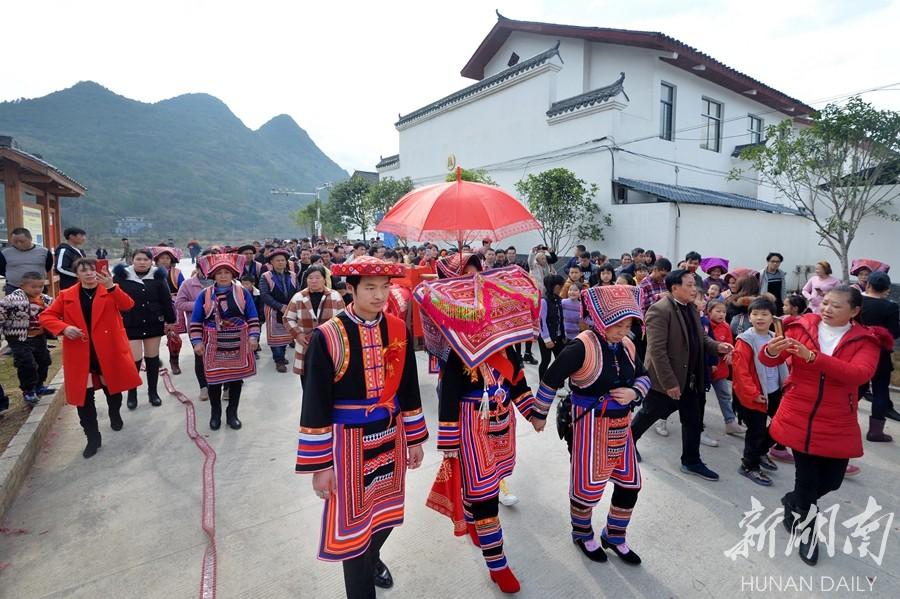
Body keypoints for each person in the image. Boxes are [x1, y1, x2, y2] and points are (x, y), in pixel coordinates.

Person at [296, 256, 427, 599]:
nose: (380, 295)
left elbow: (409, 387)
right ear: (350, 289)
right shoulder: (328, 336)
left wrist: (414, 438)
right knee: (353, 529)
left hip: (390, 435)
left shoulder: (397, 329)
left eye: (385, 287)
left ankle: (374, 555)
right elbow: (314, 403)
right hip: (347, 443)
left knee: (385, 514)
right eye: (370, 288)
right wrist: (320, 465)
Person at [761, 286, 887, 565]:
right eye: (825, 303)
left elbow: (858, 374)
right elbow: (770, 359)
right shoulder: (801, 327)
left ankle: (792, 501)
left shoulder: (865, 341)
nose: (827, 309)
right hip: (799, 414)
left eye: (836, 306)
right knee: (806, 482)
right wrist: (771, 350)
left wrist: (813, 357)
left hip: (837, 419)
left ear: (855, 311)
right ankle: (806, 533)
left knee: (832, 480)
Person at [536, 285, 650, 564]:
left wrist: (634, 392)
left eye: (627, 324)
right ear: (600, 320)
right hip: (589, 427)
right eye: (617, 324)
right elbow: (551, 378)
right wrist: (539, 414)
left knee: (630, 485)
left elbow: (644, 376)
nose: (622, 330)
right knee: (586, 488)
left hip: (621, 428)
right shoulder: (581, 346)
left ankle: (614, 535)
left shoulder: (628, 345)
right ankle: (582, 533)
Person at [436, 315, 541, 593]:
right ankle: (498, 566)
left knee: (489, 481)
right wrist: (448, 441)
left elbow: (518, 384)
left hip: (503, 424)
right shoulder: (459, 350)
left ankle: (472, 519)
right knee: (484, 494)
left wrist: (533, 413)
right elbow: (448, 395)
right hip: (471, 427)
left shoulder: (508, 348)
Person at [630, 269, 733, 481]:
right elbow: (656, 351)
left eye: (694, 284)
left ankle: (691, 461)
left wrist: (717, 347)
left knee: (693, 420)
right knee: (649, 414)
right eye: (689, 284)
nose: (694, 289)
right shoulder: (659, 310)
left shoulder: (692, 309)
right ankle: (627, 443)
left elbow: (701, 339)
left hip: (692, 378)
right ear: (674, 287)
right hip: (666, 380)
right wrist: (670, 382)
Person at [38, 258, 142, 457]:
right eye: (83, 270)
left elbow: (128, 305)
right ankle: (92, 438)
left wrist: (111, 286)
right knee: (83, 398)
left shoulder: (110, 290)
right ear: (76, 274)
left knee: (112, 388)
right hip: (80, 352)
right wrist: (64, 327)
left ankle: (114, 412)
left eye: (92, 270)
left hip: (108, 349)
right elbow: (46, 316)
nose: (89, 273)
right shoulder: (66, 295)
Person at [190, 253, 260, 430]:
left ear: (233, 274)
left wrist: (253, 336)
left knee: (236, 380)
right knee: (214, 380)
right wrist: (197, 341)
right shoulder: (204, 295)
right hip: (213, 342)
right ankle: (215, 414)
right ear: (213, 275)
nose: (223, 276)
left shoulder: (242, 292)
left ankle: (232, 413)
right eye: (219, 272)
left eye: (227, 272)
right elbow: (196, 320)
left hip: (238, 341)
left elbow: (252, 315)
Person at [732, 298, 788, 486]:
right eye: (755, 314)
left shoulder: (775, 336)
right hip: (755, 394)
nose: (759, 318)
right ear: (749, 317)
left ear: (773, 318)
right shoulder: (746, 340)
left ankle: (759, 452)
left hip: (774, 390)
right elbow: (741, 372)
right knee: (755, 431)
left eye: (764, 314)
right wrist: (752, 393)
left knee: (781, 425)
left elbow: (783, 362)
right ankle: (749, 465)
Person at [114, 250, 176, 409]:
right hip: (130, 322)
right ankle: (132, 394)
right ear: (132, 260)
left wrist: (171, 320)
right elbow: (113, 299)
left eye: (145, 259)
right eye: (138, 259)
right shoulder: (122, 276)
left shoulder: (158, 276)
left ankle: (153, 393)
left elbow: (166, 300)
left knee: (152, 359)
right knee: (134, 361)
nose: (142, 262)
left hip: (153, 321)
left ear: (151, 261)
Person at [284, 265, 345, 387]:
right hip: (306, 345)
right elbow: (287, 318)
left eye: (317, 277)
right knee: (307, 382)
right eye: (310, 278)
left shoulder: (335, 296)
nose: (314, 281)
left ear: (324, 279)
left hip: (329, 345)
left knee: (328, 381)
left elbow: (342, 320)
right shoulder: (298, 297)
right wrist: (298, 334)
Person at [0, 272, 54, 405]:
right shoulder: (11, 300)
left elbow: (56, 311)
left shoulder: (45, 299)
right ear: (22, 286)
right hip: (19, 338)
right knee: (26, 363)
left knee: (44, 360)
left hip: (39, 336)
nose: (37, 290)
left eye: (40, 286)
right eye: (33, 287)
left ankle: (39, 385)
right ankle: (29, 390)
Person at [859, 272, 900, 439]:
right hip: (880, 353)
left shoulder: (857, 301)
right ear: (887, 289)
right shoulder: (890, 307)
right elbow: (894, 332)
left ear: (868, 285)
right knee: (880, 390)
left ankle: (839, 418)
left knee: (856, 388)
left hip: (857, 350)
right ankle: (875, 431)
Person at [175, 250, 217, 401]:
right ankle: (203, 387)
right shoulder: (188, 284)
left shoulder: (222, 282)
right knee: (200, 357)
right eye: (203, 268)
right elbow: (179, 304)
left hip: (220, 327)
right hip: (197, 327)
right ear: (198, 268)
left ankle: (225, 386)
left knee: (221, 357)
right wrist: (201, 305)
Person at [706, 299, 745, 436]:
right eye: (718, 311)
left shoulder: (726, 326)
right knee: (698, 398)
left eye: (723, 311)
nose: (721, 314)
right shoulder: (704, 325)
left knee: (724, 395)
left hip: (720, 369)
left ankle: (730, 422)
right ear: (709, 312)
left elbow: (730, 344)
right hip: (705, 368)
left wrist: (730, 352)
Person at [258, 248, 299, 373]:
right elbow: (264, 295)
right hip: (274, 311)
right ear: (271, 262)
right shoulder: (266, 276)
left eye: (283, 260)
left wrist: (293, 306)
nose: (281, 263)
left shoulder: (292, 275)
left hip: (290, 310)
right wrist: (279, 306)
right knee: (276, 338)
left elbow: (298, 291)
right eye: (277, 260)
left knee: (287, 335)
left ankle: (281, 355)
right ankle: (279, 360)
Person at [151, 247, 186, 375]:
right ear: (156, 260)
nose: (165, 261)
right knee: (153, 337)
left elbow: (183, 289)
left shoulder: (177, 272)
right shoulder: (150, 272)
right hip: (154, 308)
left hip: (173, 307)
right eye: (162, 258)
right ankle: (153, 360)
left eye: (167, 258)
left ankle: (174, 361)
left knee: (173, 337)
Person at [0, 228, 53, 294]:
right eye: (15, 242)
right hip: (14, 288)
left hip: (37, 288)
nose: (19, 244)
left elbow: (48, 267)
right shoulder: (5, 253)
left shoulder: (44, 252)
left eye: (22, 241)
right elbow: (1, 269)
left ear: (30, 239)